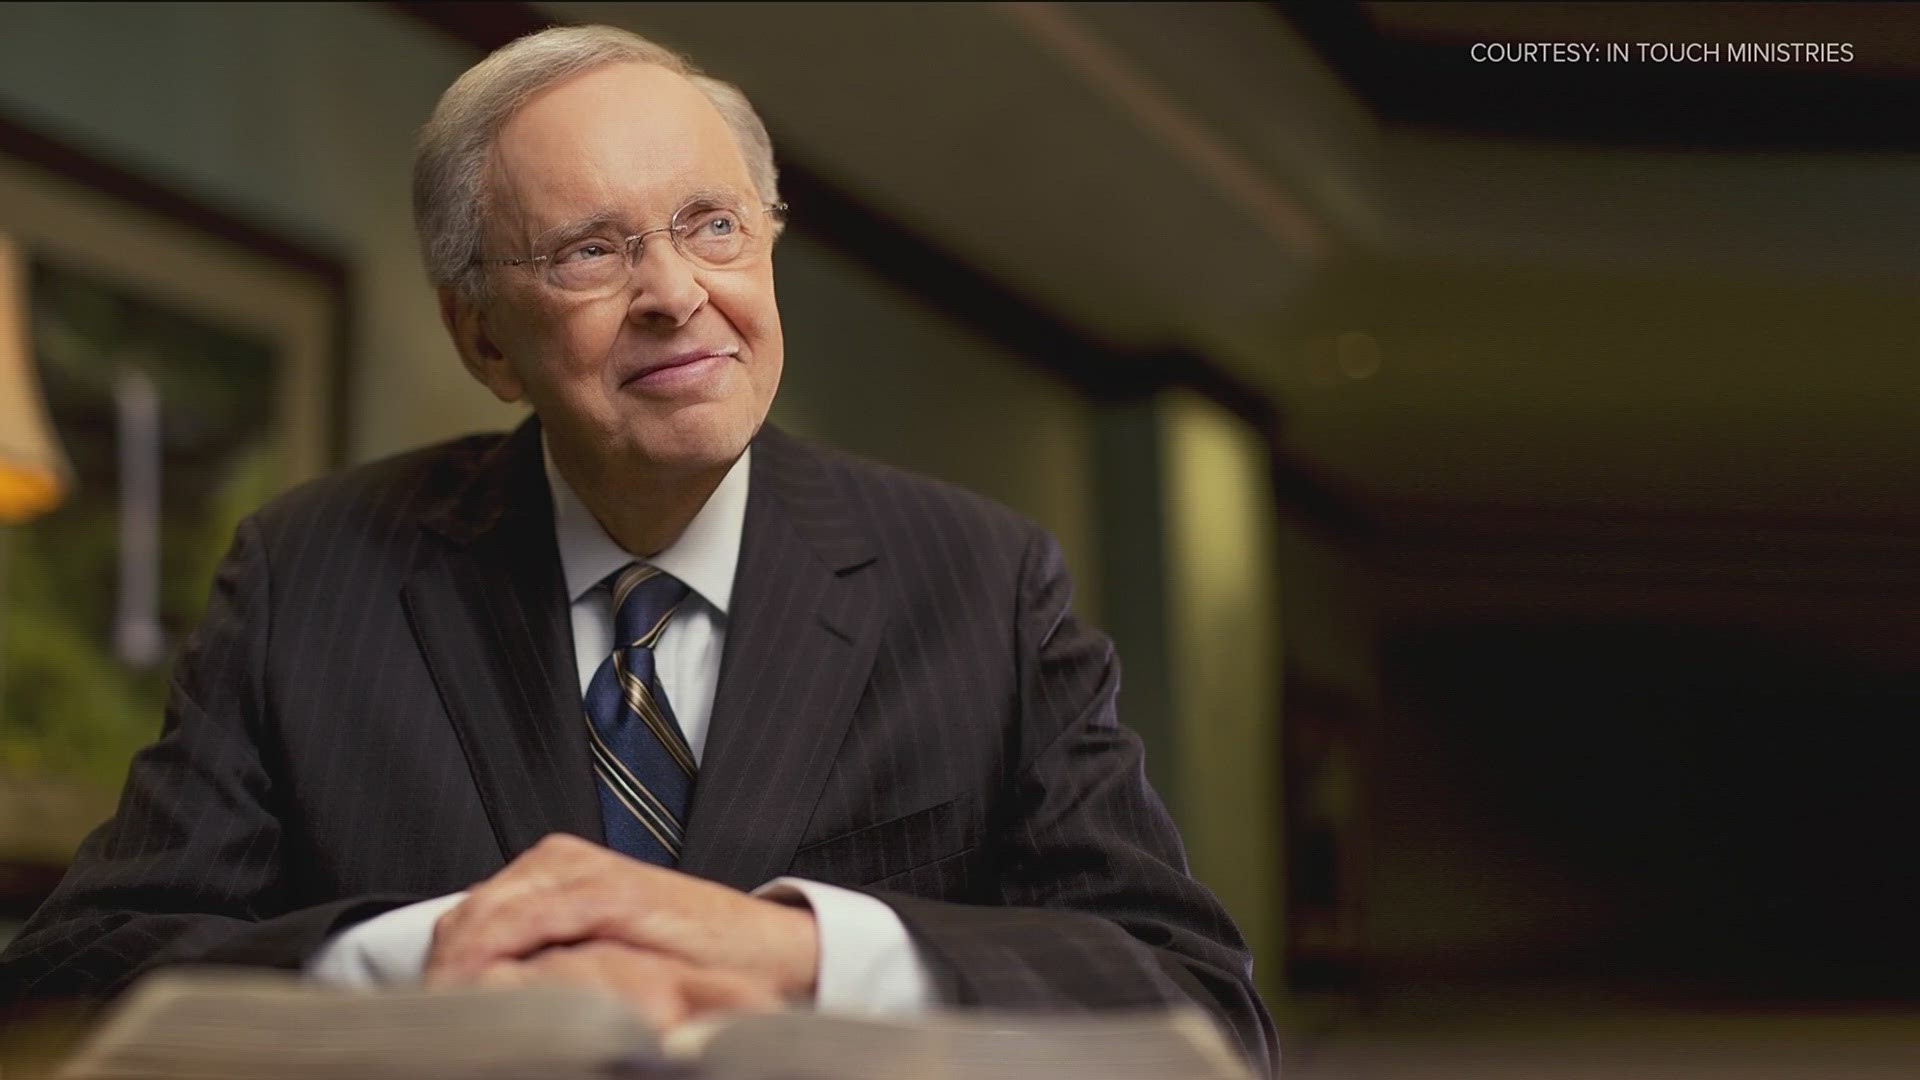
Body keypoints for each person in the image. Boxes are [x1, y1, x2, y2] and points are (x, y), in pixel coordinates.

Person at [0, 24, 1277, 1074]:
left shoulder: (984, 582)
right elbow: (67, 977)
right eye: (592, 250)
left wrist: (796, 951)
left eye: (711, 223)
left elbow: (1199, 1002)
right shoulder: (308, 573)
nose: (675, 290)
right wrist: (431, 951)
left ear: (769, 248)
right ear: (484, 340)